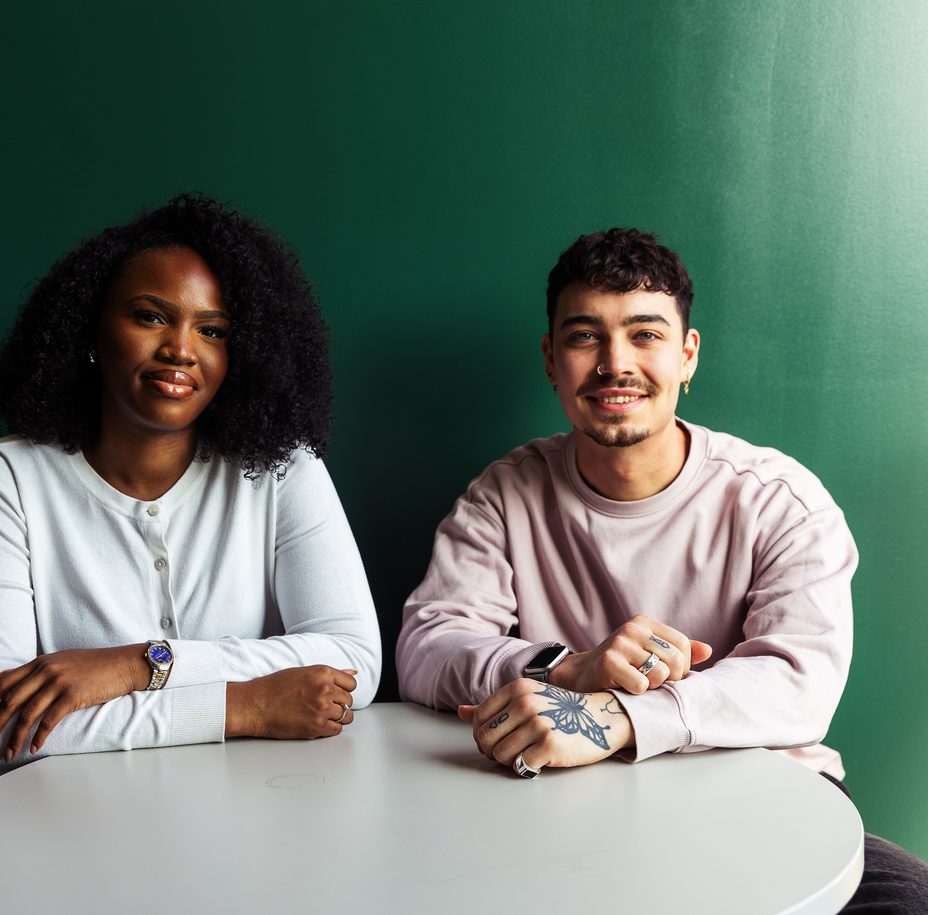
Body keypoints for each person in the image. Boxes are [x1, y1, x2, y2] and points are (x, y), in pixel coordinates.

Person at [396, 228, 927, 909]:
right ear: (551, 360)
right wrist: (564, 667)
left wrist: (618, 715)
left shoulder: (777, 498)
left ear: (687, 354)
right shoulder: (504, 493)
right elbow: (424, 648)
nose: (615, 363)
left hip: (765, 795)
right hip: (566, 810)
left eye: (644, 334)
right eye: (585, 336)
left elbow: (801, 682)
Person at [0, 192, 381, 793]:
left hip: (257, 821)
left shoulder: (281, 469)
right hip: (62, 833)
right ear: (91, 331)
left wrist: (136, 665)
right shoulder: (7, 479)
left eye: (214, 330)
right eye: (150, 316)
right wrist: (243, 707)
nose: (181, 349)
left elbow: (354, 658)